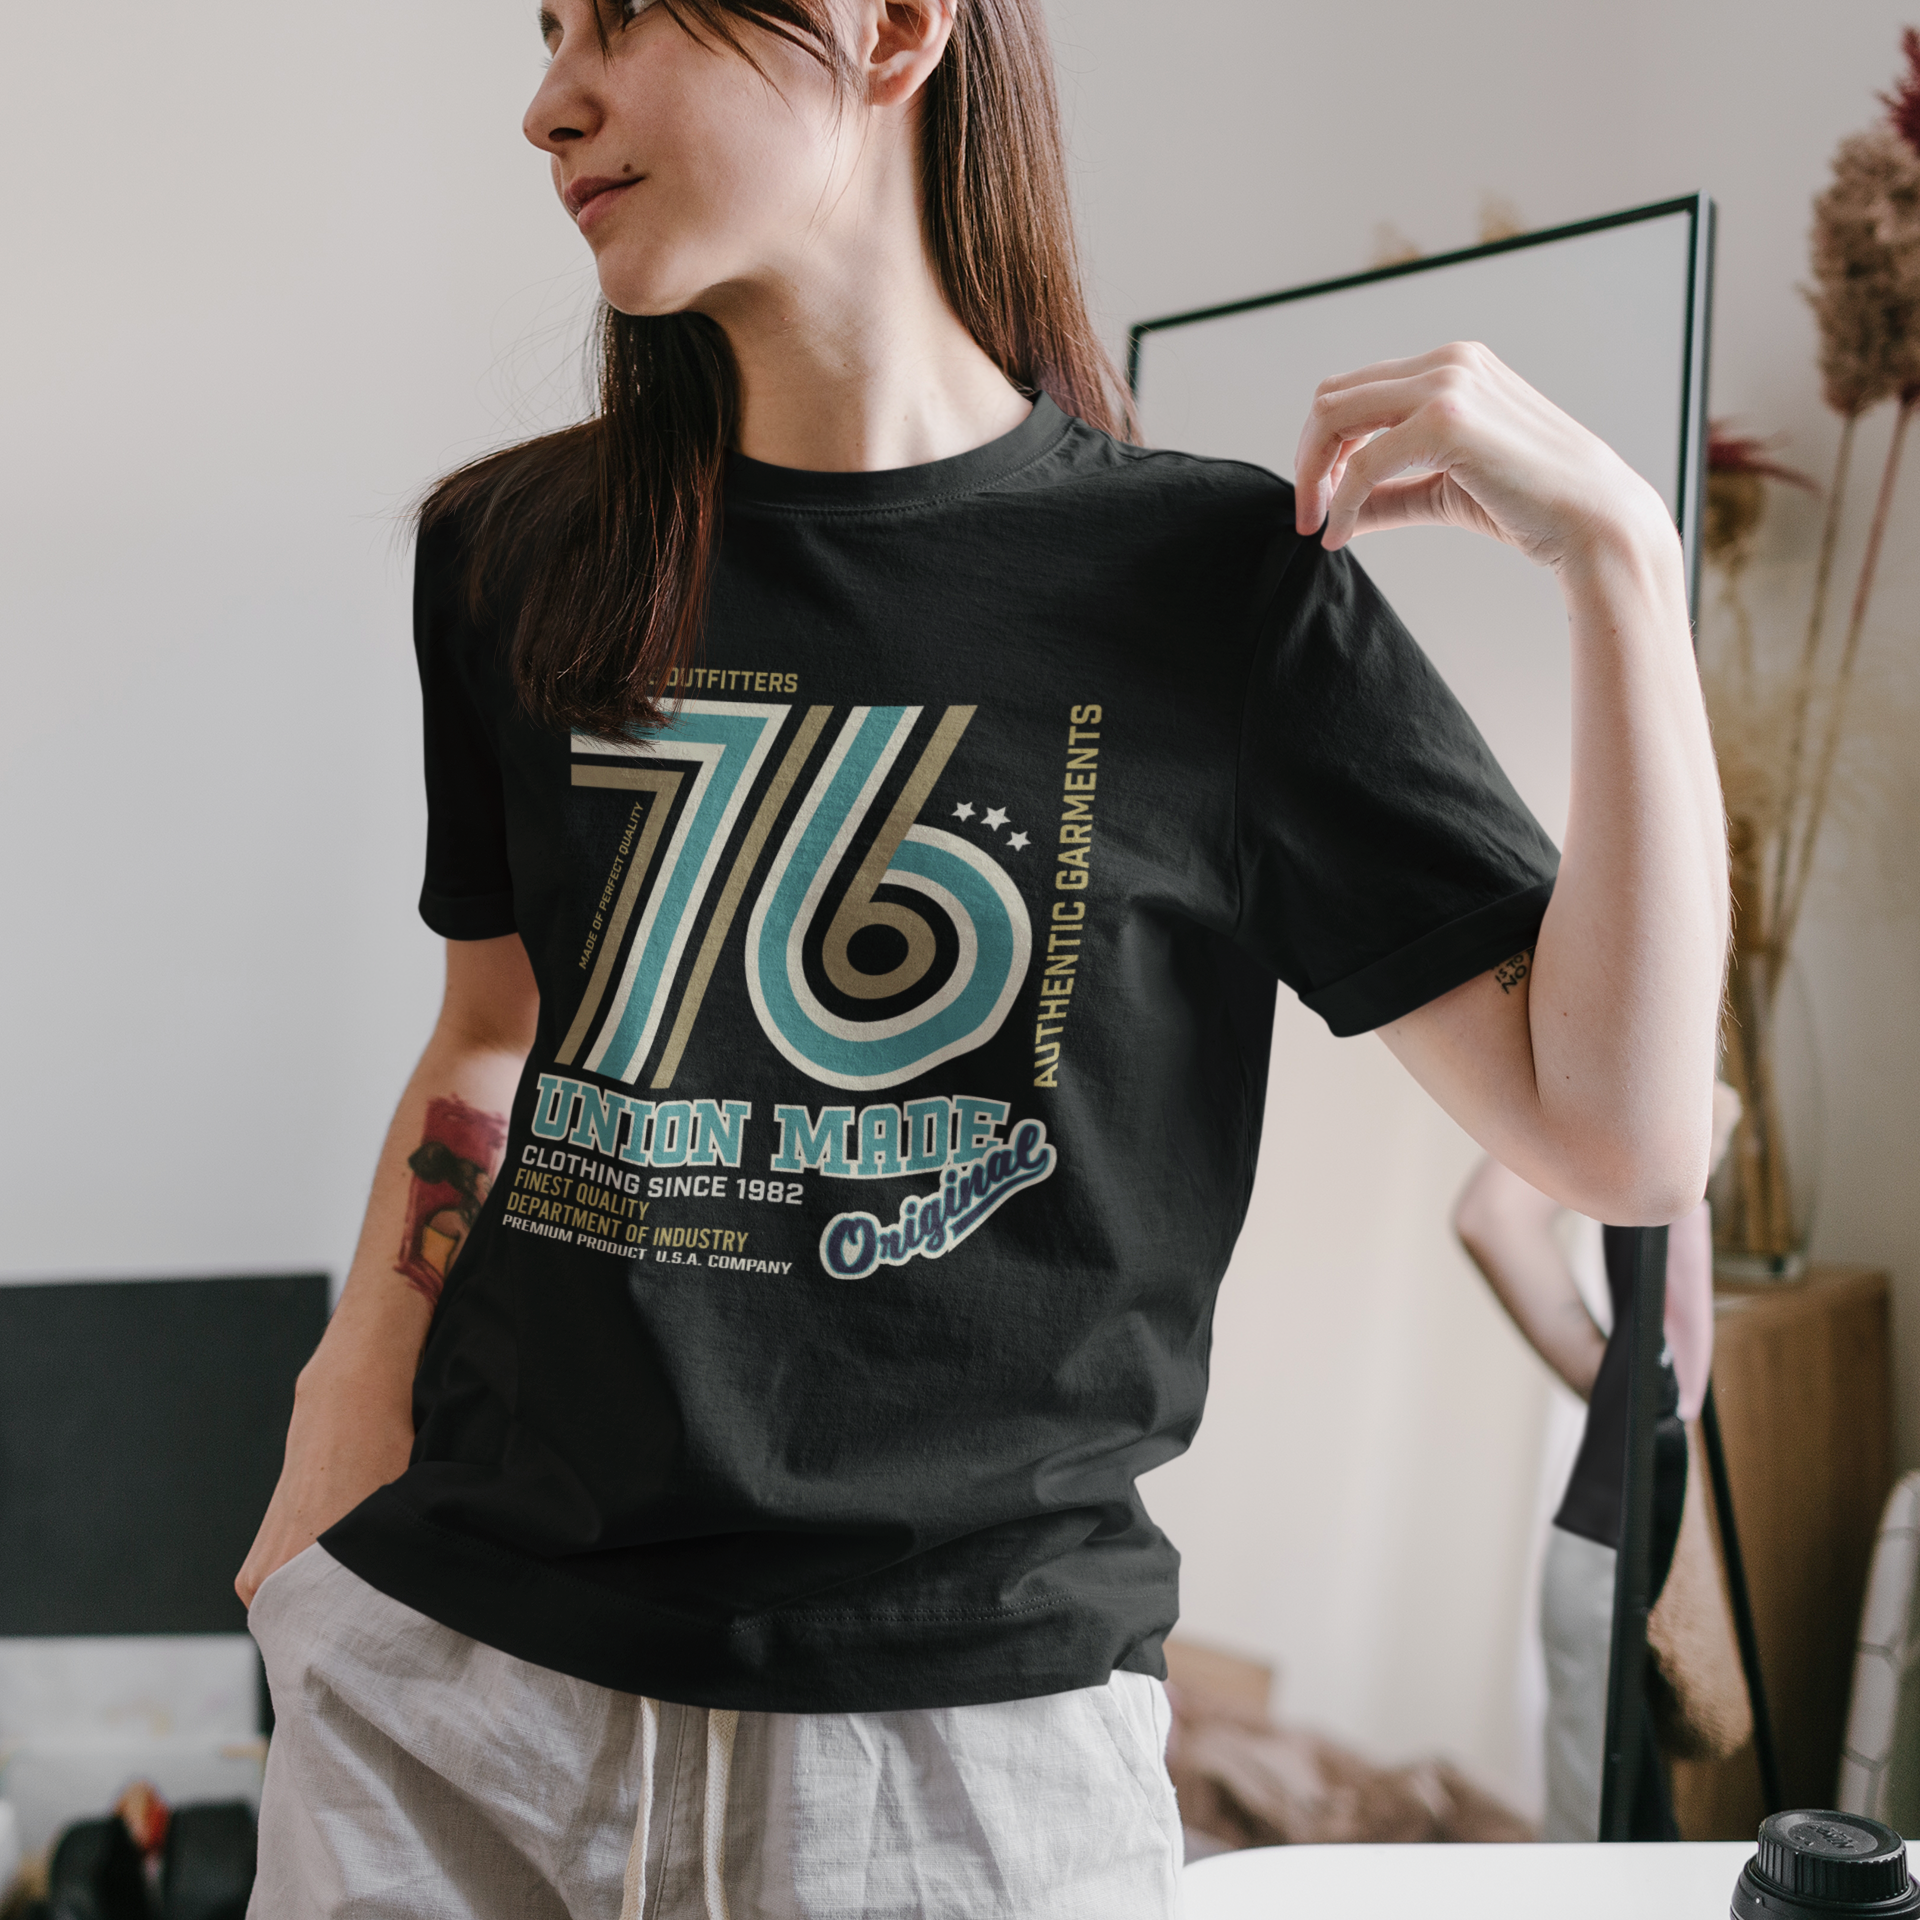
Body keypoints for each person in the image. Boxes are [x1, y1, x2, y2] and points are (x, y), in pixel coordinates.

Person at [235, 2, 1728, 1913]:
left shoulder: (1215, 596)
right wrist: (343, 1410)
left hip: (956, 1750)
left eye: (625, 14)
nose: (550, 101)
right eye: (545, 30)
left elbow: (1621, 1139)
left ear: (895, 28)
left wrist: (1621, 563)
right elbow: (491, 1033)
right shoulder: (505, 554)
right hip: (451, 1699)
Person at [1455, 1083, 1741, 1842]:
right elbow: (1492, 1217)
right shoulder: (1650, 1063)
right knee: (1604, 1846)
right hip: (1626, 1506)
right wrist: (1626, 1384)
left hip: (1642, 1484)